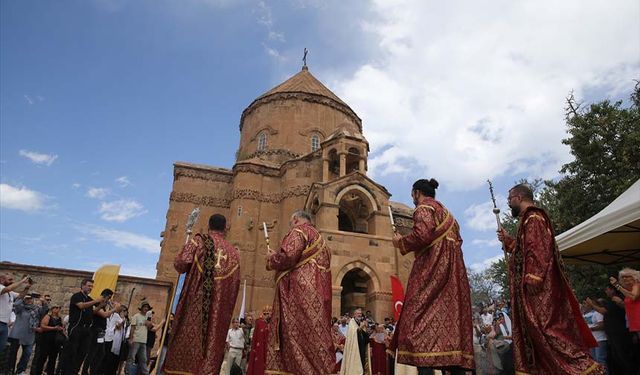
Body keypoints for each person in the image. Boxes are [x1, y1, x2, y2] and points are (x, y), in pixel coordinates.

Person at [497, 183, 604, 374]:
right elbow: (524, 251)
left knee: (548, 332)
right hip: (531, 291)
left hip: (539, 291)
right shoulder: (526, 221)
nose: (508, 203)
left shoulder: (534, 217)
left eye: (509, 199)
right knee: (537, 336)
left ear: (519, 197)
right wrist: (509, 242)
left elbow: (538, 249)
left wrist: (533, 277)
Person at [391, 178, 475, 374]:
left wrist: (400, 242)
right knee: (451, 326)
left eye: (413, 194)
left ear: (417, 193)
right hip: (453, 277)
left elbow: (422, 235)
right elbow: (458, 240)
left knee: (415, 322)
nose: (412, 198)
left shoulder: (423, 209)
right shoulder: (449, 216)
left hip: (431, 272)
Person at [163, 214, 241, 375]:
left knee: (187, 342)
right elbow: (235, 285)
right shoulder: (233, 253)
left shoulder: (198, 242)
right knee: (211, 347)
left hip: (195, 306)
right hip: (218, 313)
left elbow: (180, 264)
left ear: (208, 225)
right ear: (225, 228)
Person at [265, 210, 334, 375]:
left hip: (298, 291)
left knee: (294, 335)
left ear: (295, 219)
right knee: (315, 336)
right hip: (319, 293)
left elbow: (288, 256)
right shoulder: (321, 240)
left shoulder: (298, 231)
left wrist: (272, 257)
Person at [60, 279, 104, 375]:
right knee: (72, 352)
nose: (90, 288)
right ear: (83, 285)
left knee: (82, 353)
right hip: (76, 327)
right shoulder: (76, 296)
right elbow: (81, 306)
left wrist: (102, 304)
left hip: (86, 329)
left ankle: (74, 372)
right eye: (89, 286)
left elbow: (94, 311)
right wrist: (96, 300)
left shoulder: (89, 299)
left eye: (92, 286)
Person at [7, 293, 39, 375]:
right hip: (17, 335)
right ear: (24, 299)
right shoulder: (20, 308)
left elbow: (45, 310)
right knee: (13, 354)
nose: (29, 300)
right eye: (27, 299)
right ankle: (10, 370)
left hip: (29, 335)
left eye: (30, 298)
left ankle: (20, 370)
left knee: (27, 354)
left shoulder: (36, 309)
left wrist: (43, 300)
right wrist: (22, 296)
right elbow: (17, 303)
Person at [0, 275, 30, 353]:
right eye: (10, 279)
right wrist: (22, 281)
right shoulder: (1, 287)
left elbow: (21, 296)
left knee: (1, 347)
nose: (12, 281)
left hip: (4, 324)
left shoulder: (10, 293)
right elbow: (8, 288)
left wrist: (27, 288)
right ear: (2, 280)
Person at [610, 268, 640, 341]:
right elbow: (630, 305)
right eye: (622, 277)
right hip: (635, 322)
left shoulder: (637, 285)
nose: (624, 278)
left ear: (634, 277)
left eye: (627, 276)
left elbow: (633, 297)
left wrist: (617, 286)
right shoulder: (627, 292)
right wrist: (620, 302)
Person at [34, 303, 64, 375]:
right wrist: (53, 328)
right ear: (52, 309)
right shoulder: (48, 316)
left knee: (53, 359)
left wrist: (61, 328)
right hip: (46, 339)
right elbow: (42, 326)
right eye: (56, 307)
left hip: (55, 341)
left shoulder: (60, 318)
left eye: (59, 308)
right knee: (42, 358)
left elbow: (62, 327)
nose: (58, 309)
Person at [126, 301, 154, 375]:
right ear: (141, 308)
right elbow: (132, 328)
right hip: (136, 340)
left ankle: (145, 373)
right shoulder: (136, 316)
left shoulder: (147, 318)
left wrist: (149, 321)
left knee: (143, 359)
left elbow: (150, 328)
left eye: (147, 307)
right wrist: (131, 339)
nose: (146, 308)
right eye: (144, 307)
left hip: (143, 341)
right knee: (131, 358)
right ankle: (128, 372)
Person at [582, 301, 607, 372]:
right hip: (591, 341)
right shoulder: (584, 315)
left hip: (600, 339)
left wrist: (590, 329)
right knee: (594, 361)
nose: (584, 305)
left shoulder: (597, 313)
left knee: (600, 360)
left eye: (585, 303)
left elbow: (602, 325)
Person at [246, 306, 270, 375]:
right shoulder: (259, 323)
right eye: (265, 314)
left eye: (268, 314)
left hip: (267, 348)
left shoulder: (268, 324)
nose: (267, 315)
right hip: (259, 348)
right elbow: (255, 337)